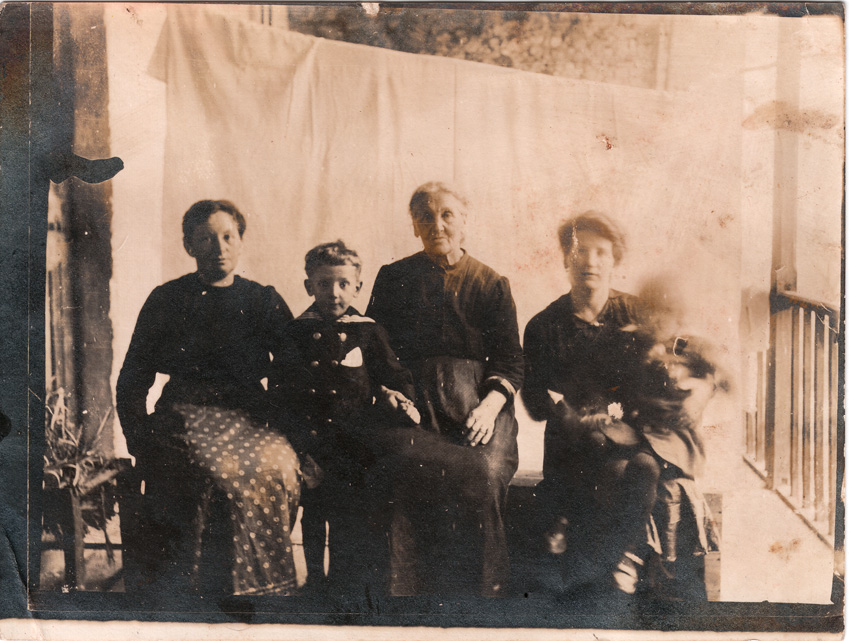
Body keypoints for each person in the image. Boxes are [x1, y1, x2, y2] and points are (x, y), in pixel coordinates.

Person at [116, 199, 301, 597]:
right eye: (206, 239)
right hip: (184, 412)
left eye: (228, 237)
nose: (219, 248)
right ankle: (207, 587)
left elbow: (293, 370)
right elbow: (133, 376)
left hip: (249, 414)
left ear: (241, 241)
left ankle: (268, 587)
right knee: (214, 471)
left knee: (280, 464)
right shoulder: (166, 299)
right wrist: (138, 436)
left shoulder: (262, 299)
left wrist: (284, 425)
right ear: (189, 246)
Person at [367, 182, 524, 596]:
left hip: (476, 404)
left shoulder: (491, 283)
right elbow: (373, 349)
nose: (437, 225)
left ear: (464, 220)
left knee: (484, 472)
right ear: (414, 226)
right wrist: (390, 393)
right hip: (412, 403)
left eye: (447, 214)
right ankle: (405, 600)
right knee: (401, 468)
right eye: (426, 216)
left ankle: (482, 599)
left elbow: (510, 361)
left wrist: (489, 409)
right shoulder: (393, 278)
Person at [521, 211, 660, 602]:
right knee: (618, 470)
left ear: (615, 259)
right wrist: (570, 416)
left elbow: (657, 377)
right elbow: (534, 399)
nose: (590, 261)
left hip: (629, 434)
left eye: (601, 252)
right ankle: (612, 564)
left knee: (645, 466)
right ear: (566, 258)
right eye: (580, 250)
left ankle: (610, 561)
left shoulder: (636, 315)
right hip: (572, 443)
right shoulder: (544, 325)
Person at [270, 240, 419, 596]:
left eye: (342, 284)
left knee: (346, 515)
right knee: (313, 512)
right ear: (309, 286)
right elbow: (280, 392)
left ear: (357, 287)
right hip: (310, 440)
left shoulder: (368, 331)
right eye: (324, 283)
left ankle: (341, 582)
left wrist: (398, 397)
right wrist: (297, 445)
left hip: (353, 443)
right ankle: (313, 581)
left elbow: (396, 376)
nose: (333, 293)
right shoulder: (295, 332)